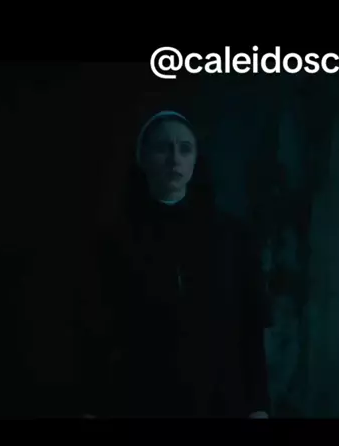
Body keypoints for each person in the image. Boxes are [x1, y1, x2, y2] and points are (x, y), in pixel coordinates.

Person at [83, 110, 271, 418]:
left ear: (195, 159)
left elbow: (250, 328)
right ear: (143, 158)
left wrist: (259, 406)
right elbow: (98, 332)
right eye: (163, 148)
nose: (174, 159)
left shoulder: (232, 236)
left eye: (185, 149)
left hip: (220, 401)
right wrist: (92, 406)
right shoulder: (115, 241)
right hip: (141, 399)